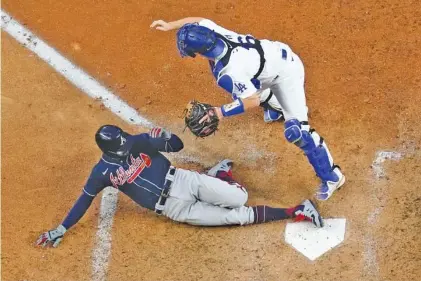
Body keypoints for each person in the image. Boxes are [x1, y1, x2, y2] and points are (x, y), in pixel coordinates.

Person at [150, 18, 345, 200]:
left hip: (287, 75)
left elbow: (251, 101)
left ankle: (333, 177)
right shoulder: (211, 30)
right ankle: (276, 107)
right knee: (242, 92)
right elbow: (196, 18)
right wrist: (170, 25)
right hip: (271, 57)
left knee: (298, 132)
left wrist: (219, 112)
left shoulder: (229, 72)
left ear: (199, 51)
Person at [36, 125, 323, 247]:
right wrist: (61, 228)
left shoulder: (137, 140)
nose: (126, 144)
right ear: (108, 150)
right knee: (237, 217)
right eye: (121, 145)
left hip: (184, 180)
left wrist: (165, 137)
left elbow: (177, 145)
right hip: (172, 208)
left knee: (240, 197)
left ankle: (219, 176)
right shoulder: (100, 173)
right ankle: (298, 210)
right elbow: (84, 200)